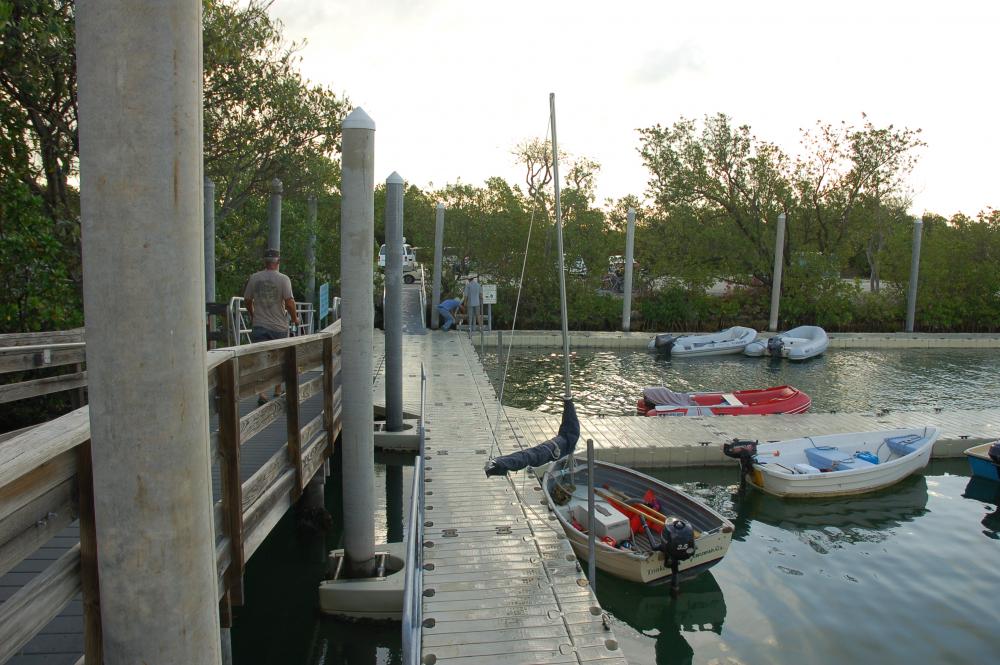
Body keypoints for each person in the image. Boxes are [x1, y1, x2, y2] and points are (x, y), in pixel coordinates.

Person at [243, 248, 300, 405]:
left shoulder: (254, 278)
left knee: (260, 360)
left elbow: (247, 299)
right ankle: (276, 389)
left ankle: (262, 393)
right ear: (278, 262)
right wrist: (295, 318)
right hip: (279, 326)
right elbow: (289, 301)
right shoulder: (284, 279)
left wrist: (253, 314)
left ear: (265, 262)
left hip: (259, 324)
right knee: (279, 359)